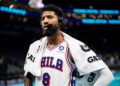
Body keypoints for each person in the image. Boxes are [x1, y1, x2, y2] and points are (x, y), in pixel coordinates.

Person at [23, 4, 114, 86]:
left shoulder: (74, 46)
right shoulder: (34, 47)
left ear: (60, 21)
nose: (45, 21)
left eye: (49, 17)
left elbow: (107, 75)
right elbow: (28, 74)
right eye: (43, 18)